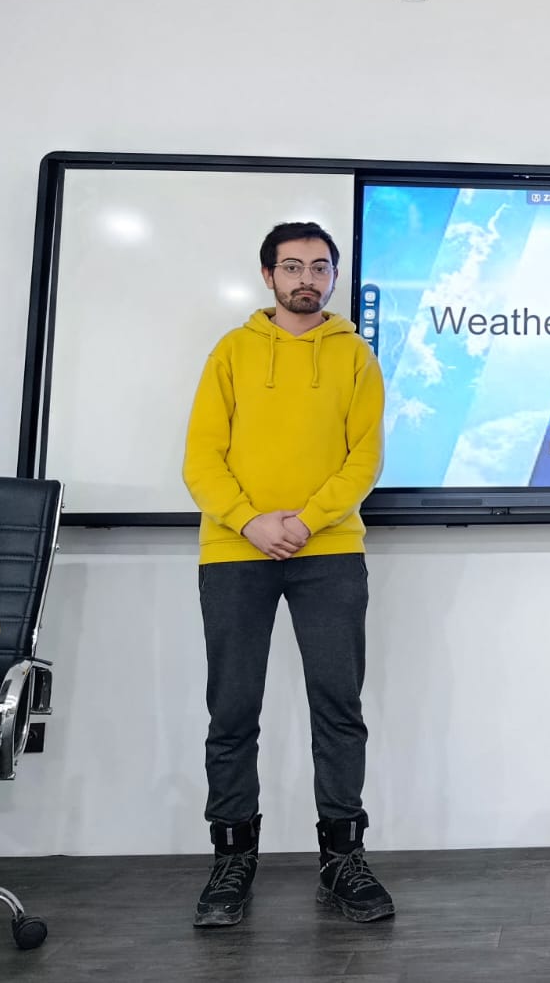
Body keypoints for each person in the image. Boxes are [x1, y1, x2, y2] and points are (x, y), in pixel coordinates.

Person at [182, 221, 392, 928]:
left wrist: (307, 520)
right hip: (234, 552)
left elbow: (363, 460)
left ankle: (343, 858)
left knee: (339, 707)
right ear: (268, 275)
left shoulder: (355, 356)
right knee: (232, 710)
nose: (308, 278)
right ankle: (231, 860)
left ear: (333, 276)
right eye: (293, 266)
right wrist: (250, 522)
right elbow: (201, 458)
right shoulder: (232, 351)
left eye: (320, 266)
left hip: (328, 553)